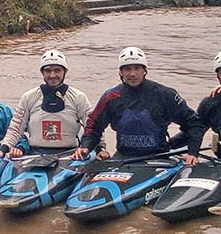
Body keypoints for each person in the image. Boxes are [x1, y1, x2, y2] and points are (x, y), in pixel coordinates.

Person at [72, 47, 204, 164]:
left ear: (144, 70)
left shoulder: (165, 94)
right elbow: (94, 126)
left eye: (137, 68)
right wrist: (86, 146)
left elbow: (193, 123)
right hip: (124, 157)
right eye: (127, 69)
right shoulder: (110, 97)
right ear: (121, 72)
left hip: (159, 157)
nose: (132, 74)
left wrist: (192, 153)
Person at [0, 49, 91, 158]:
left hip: (70, 155)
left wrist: (97, 148)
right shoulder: (29, 97)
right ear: (42, 72)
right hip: (35, 154)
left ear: (65, 72)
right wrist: (3, 149)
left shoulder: (78, 97)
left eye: (57, 70)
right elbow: (16, 128)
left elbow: (92, 127)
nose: (52, 75)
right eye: (48, 71)